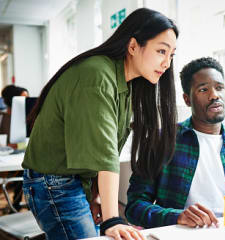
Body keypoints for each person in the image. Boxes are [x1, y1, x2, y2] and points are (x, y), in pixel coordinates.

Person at [22, 8, 178, 240]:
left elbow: (103, 150)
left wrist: (97, 195)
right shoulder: (96, 75)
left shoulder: (127, 84)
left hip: (74, 181)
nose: (166, 63)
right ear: (133, 46)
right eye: (161, 51)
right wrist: (112, 219)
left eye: (172, 55)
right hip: (54, 184)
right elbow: (105, 155)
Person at [125, 57, 225, 229]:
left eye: (219, 88)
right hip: (183, 232)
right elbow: (134, 206)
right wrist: (176, 217)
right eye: (203, 89)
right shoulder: (161, 141)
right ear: (187, 99)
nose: (214, 95)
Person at [0, 85, 29, 211]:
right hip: (5, 158)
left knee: (26, 171)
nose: (27, 101)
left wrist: (18, 145)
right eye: (23, 98)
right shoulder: (2, 117)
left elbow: (27, 141)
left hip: (21, 156)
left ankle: (17, 206)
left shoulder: (28, 117)